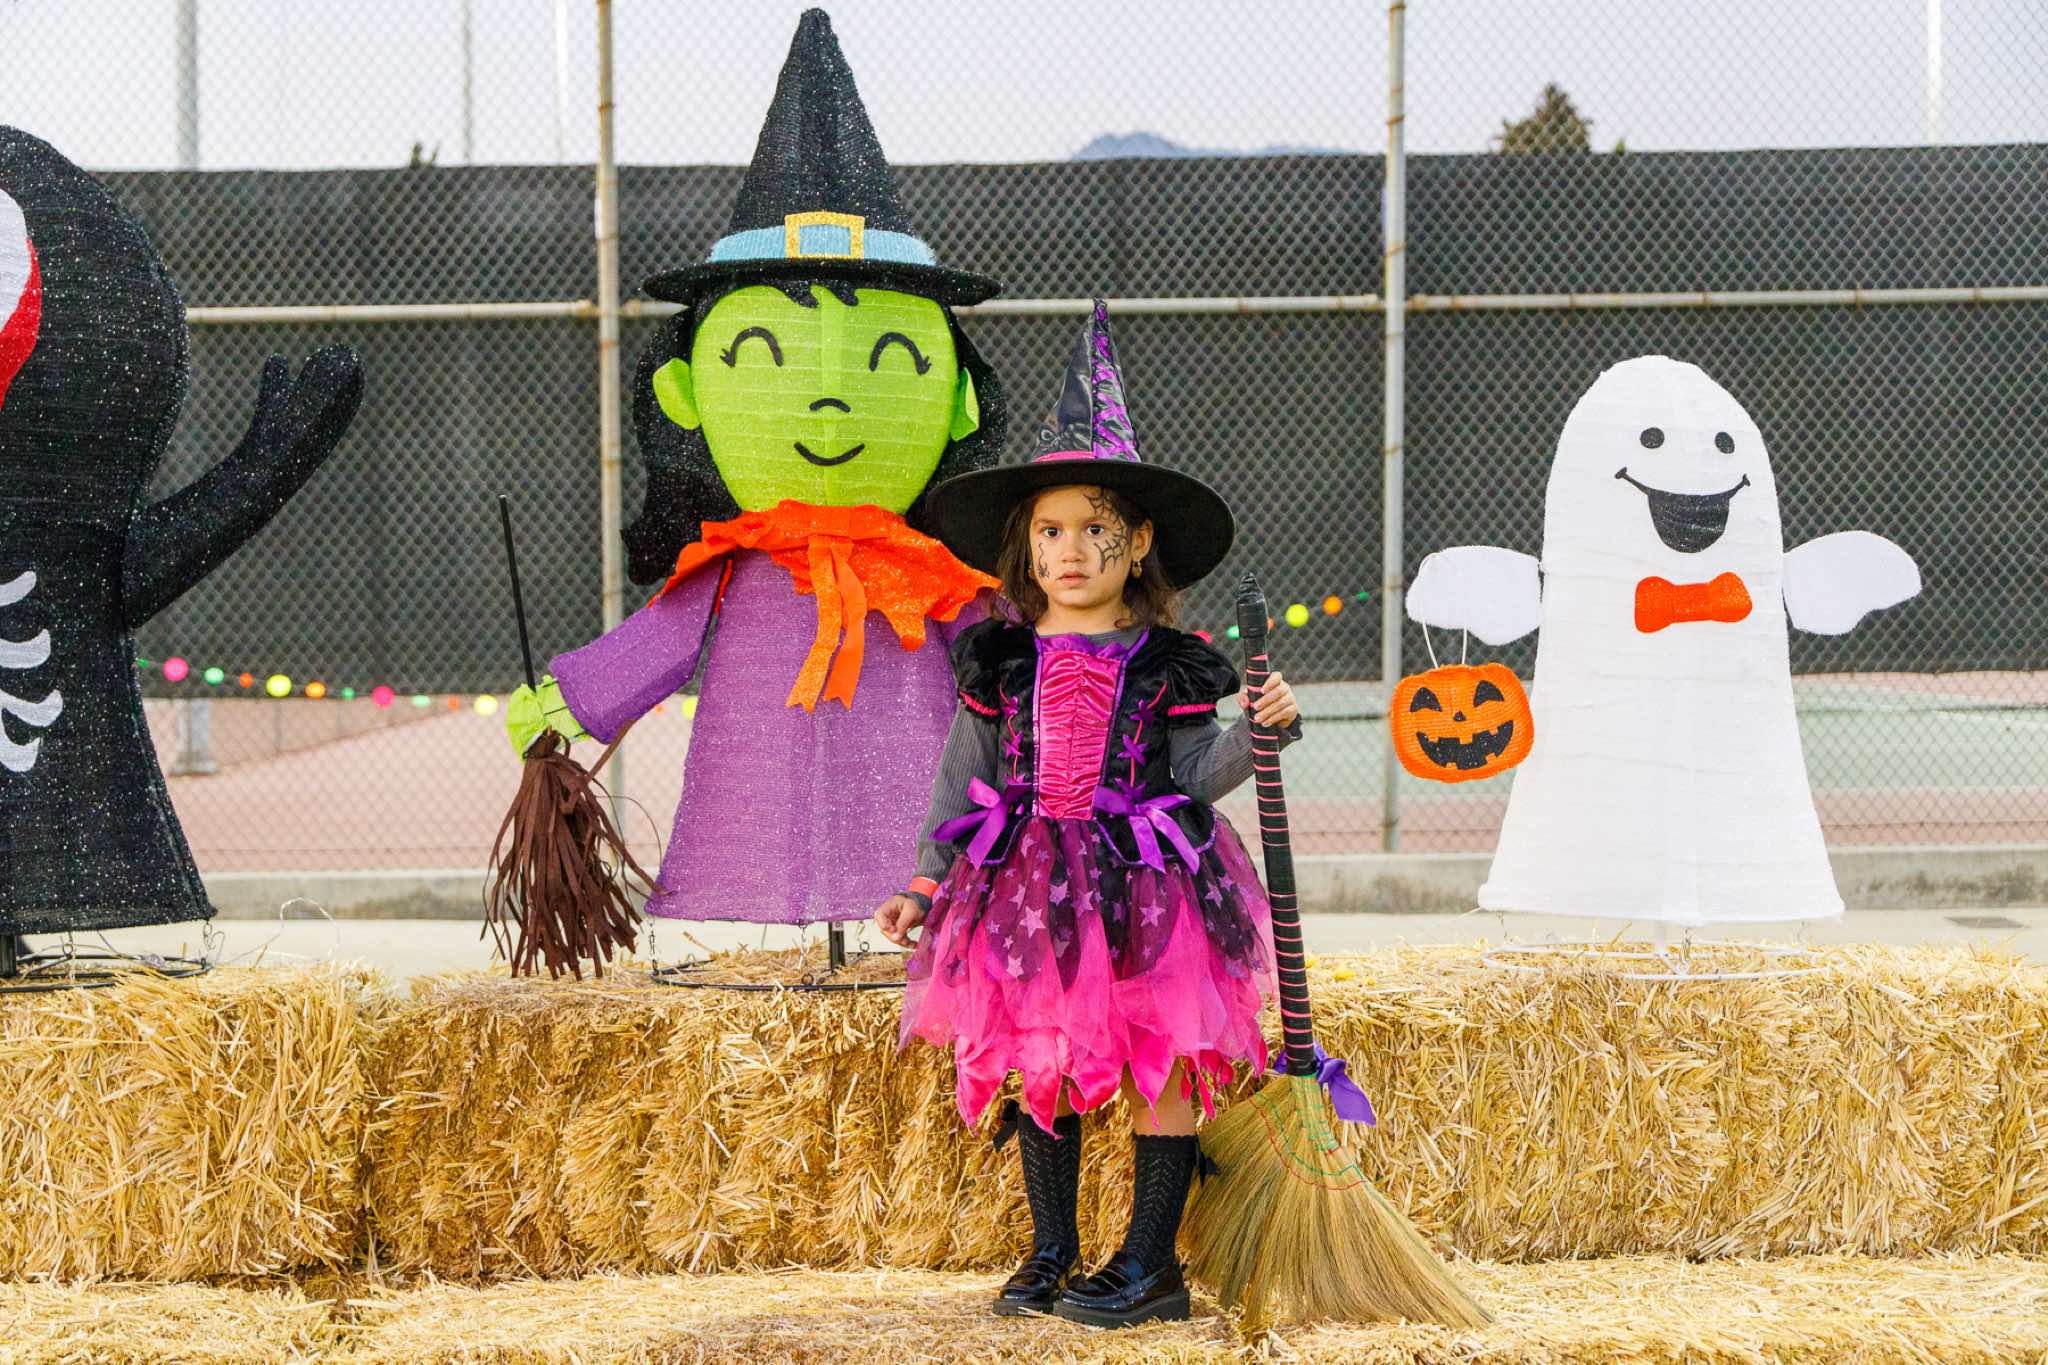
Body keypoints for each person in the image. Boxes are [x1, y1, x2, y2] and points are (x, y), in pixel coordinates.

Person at [873, 302, 1300, 1329]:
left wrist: (1261, 732)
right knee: (1042, 1057)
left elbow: (1196, 771)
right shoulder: (999, 658)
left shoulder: (1170, 663)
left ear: (1139, 541)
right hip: (1024, 883)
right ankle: (1052, 1250)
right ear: (1026, 546)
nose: (1071, 549)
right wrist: (924, 881)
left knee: (1162, 1053)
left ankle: (1149, 1265)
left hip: (1151, 883)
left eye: (1096, 528)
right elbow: (961, 778)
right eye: (1050, 530)